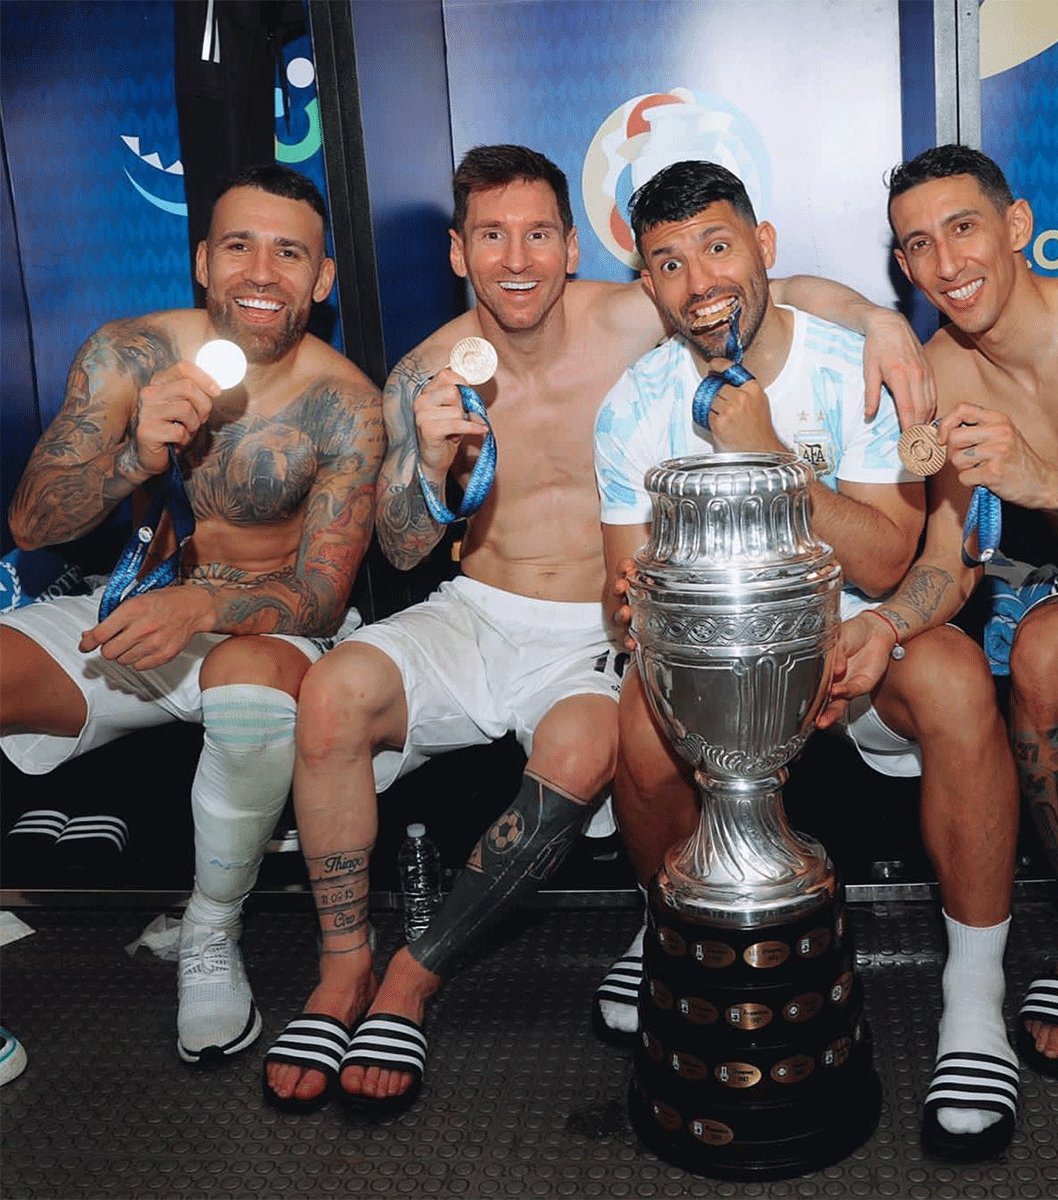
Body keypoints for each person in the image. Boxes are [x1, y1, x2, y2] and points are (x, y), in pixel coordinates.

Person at [261, 143, 937, 1115]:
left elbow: (774, 290)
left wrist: (882, 320)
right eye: (491, 236)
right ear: (459, 252)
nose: (518, 257)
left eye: (539, 232)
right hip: (475, 609)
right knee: (330, 695)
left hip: (596, 623)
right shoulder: (422, 373)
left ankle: (415, 977)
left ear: (573, 246)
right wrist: (433, 476)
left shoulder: (639, 311)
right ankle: (339, 969)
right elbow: (404, 551)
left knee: (593, 747)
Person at [594, 159, 1022, 1161]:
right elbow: (629, 607)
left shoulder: (855, 366)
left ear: (764, 247)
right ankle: (677, 929)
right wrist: (661, 615)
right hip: (716, 674)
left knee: (957, 678)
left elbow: (884, 557)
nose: (698, 280)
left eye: (716, 245)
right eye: (667, 262)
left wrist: (775, 453)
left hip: (857, 646)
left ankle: (973, 998)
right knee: (635, 720)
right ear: (646, 286)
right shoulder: (632, 405)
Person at [0, 164, 384, 1066]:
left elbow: (323, 591)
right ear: (203, 262)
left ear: (321, 280)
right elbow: (28, 523)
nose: (262, 271)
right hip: (130, 612)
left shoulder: (348, 405)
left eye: (289, 253)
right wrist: (133, 457)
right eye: (240, 247)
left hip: (266, 628)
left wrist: (206, 601)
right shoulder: (127, 351)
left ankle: (210, 933)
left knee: (248, 683)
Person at [831, 143, 1058, 1082]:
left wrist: (1049, 484)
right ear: (903, 265)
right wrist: (884, 625)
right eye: (917, 245)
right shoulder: (944, 376)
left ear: (1018, 228)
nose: (947, 265)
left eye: (963, 229)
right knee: (1041, 650)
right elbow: (951, 566)